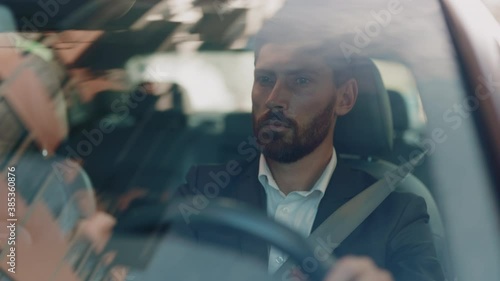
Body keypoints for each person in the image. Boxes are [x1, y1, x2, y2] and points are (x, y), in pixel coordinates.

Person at [173, 17, 444, 281]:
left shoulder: (396, 213)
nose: (274, 99)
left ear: (345, 98)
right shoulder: (203, 190)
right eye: (266, 79)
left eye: (301, 81)